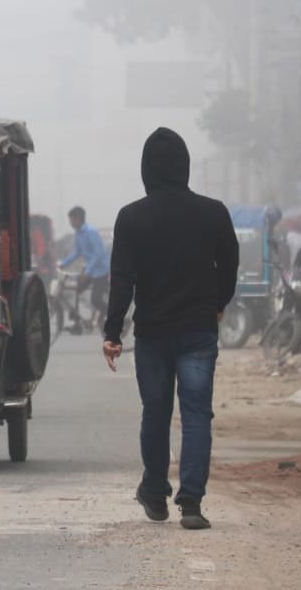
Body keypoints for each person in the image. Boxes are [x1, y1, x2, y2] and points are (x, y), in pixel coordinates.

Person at [103, 128, 239, 531]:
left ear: (146, 169)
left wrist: (113, 332)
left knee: (156, 412)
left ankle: (156, 492)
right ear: (185, 165)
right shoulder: (214, 212)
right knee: (197, 415)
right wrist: (218, 304)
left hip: (153, 332)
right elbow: (229, 265)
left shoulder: (131, 217)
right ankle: (192, 502)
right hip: (199, 330)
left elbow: (122, 281)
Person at [58, 206, 110, 333]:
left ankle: (113, 315)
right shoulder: (78, 233)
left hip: (101, 271)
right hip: (90, 270)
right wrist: (62, 263)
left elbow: (98, 254)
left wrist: (87, 273)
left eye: (71, 220)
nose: (70, 222)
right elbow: (77, 252)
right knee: (77, 289)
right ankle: (77, 324)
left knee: (96, 300)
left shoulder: (91, 232)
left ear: (78, 218)